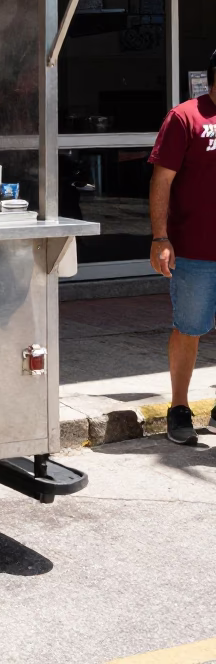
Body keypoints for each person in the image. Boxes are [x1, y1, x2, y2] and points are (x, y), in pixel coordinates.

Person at [149, 48, 216, 445]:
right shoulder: (185, 117)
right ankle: (179, 409)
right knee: (189, 329)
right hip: (194, 250)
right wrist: (161, 237)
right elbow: (162, 181)